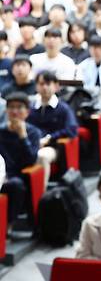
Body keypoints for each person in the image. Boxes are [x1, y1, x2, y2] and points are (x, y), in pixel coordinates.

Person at [27, 71, 78, 184]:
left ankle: (41, 193)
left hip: (53, 146)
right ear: (36, 86)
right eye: (41, 84)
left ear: (56, 86)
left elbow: (71, 129)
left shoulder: (63, 108)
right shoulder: (31, 108)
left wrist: (50, 138)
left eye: (48, 84)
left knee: (42, 156)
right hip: (32, 143)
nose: (44, 87)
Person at [0, 92, 41, 228]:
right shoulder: (1, 131)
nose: (15, 111)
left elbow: (31, 160)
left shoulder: (33, 132)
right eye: (11, 107)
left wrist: (23, 136)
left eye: (19, 107)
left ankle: (8, 225)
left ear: (27, 112)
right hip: (1, 173)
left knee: (16, 185)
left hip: (19, 176)